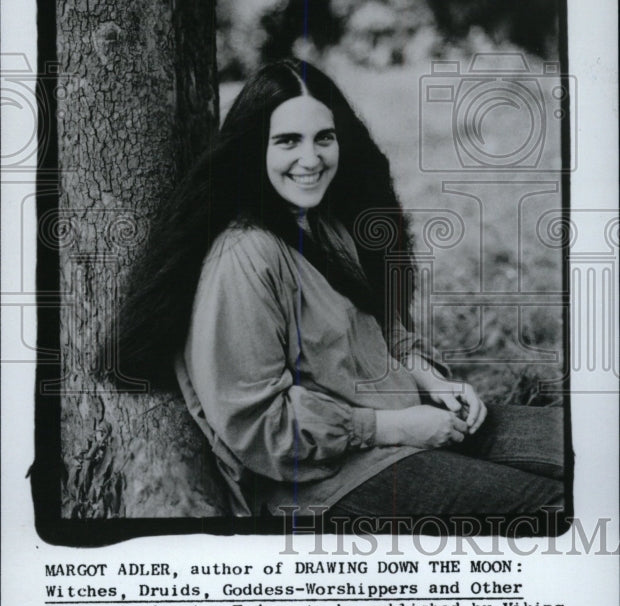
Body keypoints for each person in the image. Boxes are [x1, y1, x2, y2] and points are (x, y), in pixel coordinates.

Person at [114, 58, 564, 525]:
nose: (311, 159)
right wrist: (392, 427)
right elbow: (257, 427)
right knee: (552, 509)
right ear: (253, 149)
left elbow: (379, 327)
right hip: (326, 482)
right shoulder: (244, 256)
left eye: (323, 138)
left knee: (589, 450)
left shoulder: (327, 224)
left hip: (413, 421)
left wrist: (433, 381)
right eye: (287, 141)